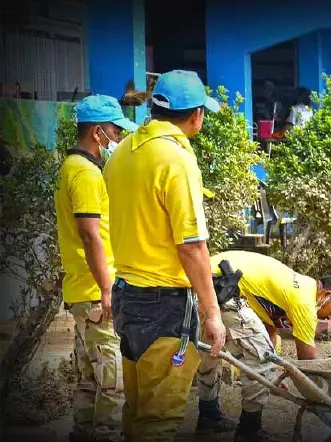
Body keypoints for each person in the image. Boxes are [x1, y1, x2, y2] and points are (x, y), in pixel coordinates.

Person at [104, 69, 227, 441]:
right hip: (165, 307)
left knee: (137, 412)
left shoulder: (123, 151)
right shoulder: (175, 159)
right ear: (197, 116)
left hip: (127, 297)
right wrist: (212, 313)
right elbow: (190, 246)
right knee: (159, 421)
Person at [196, 250, 331, 440]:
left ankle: (209, 417)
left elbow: (268, 330)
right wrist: (325, 398)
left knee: (213, 350)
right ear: (326, 294)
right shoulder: (305, 302)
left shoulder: (297, 284)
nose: (329, 316)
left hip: (200, 279)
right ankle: (249, 431)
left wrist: (273, 377)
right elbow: (308, 363)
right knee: (262, 361)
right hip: (224, 287)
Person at [55, 95, 137, 442]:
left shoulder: (70, 168)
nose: (117, 138)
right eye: (115, 131)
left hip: (81, 289)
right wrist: (107, 290)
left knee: (89, 380)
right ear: (97, 132)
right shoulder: (86, 174)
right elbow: (91, 236)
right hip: (94, 291)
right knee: (111, 382)